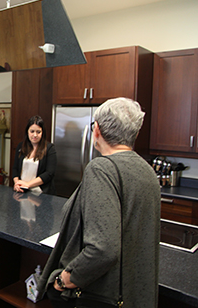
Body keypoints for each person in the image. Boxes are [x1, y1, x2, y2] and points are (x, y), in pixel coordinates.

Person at [37, 98, 160, 308]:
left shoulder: (101, 169)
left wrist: (62, 280)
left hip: (104, 296)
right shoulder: (147, 171)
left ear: (97, 131)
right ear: (135, 134)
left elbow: (103, 250)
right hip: (136, 295)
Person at [12, 115, 57, 194]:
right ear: (27, 132)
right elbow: (15, 168)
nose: (35, 135)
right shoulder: (21, 146)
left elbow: (49, 173)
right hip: (22, 191)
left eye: (38, 132)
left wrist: (28, 184)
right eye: (32, 131)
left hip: (41, 194)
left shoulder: (50, 149)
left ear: (42, 133)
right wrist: (17, 183)